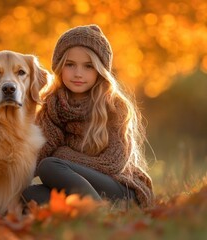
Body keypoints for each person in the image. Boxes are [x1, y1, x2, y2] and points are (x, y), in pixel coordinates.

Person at [22, 25, 154, 209]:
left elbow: (112, 163)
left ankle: (99, 216)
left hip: (119, 188)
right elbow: (35, 158)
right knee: (28, 194)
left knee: (49, 167)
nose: (78, 73)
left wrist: (63, 156)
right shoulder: (51, 106)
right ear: (59, 67)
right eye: (70, 64)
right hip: (77, 188)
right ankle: (89, 209)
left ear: (100, 70)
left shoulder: (114, 105)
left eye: (88, 66)